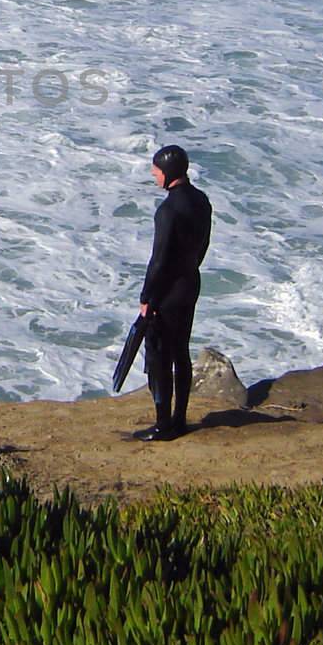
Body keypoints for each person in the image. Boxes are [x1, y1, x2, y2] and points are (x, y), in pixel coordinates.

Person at [134, 144, 212, 442]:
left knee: (159, 356)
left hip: (167, 292)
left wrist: (147, 298)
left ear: (167, 173)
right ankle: (180, 419)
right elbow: (202, 245)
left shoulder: (168, 210)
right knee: (181, 352)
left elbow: (159, 260)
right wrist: (188, 271)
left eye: (156, 170)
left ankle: (163, 425)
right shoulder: (201, 201)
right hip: (190, 282)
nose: (153, 175)